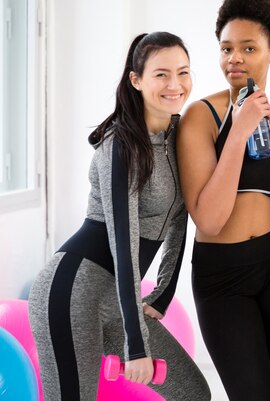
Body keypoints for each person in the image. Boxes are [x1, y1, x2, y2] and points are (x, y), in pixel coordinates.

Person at [28, 32, 212, 400]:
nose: (175, 84)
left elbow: (181, 218)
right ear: (136, 80)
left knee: (193, 393)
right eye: (161, 74)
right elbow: (123, 241)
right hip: (73, 293)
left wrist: (162, 294)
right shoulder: (121, 145)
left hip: (118, 298)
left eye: (183, 72)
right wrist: (137, 344)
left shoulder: (181, 137)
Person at [177, 0, 270, 401]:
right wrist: (239, 130)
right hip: (223, 276)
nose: (235, 57)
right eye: (226, 48)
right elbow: (208, 219)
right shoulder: (203, 115)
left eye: (248, 48)